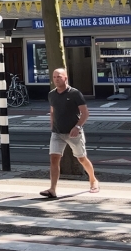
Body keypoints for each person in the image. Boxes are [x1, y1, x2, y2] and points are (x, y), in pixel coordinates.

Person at [41, 68, 100, 199]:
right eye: (54, 77)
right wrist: (52, 125)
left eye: (59, 77)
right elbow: (52, 111)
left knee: (81, 158)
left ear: (65, 78)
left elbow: (85, 113)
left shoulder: (75, 93)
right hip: (57, 133)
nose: (56, 79)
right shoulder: (52, 94)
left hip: (73, 133)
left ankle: (93, 180)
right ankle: (52, 189)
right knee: (54, 159)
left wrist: (78, 126)